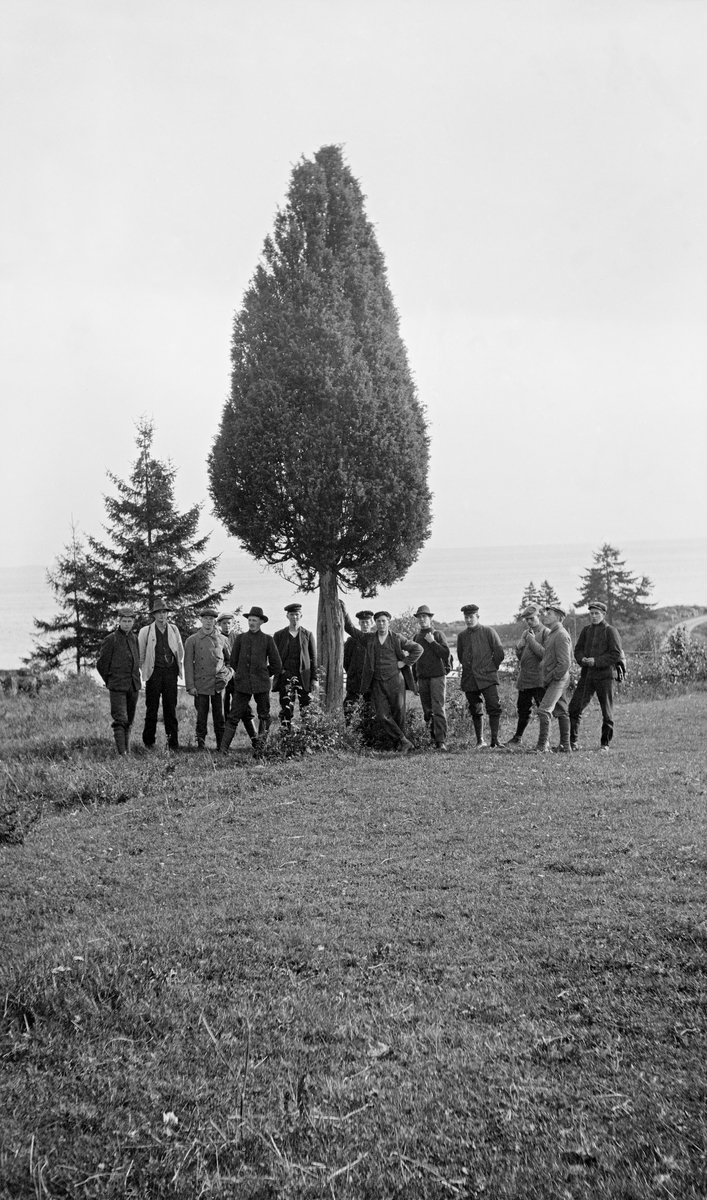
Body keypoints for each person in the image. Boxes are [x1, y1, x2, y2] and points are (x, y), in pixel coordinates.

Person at [342, 604, 422, 753]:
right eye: (378, 621)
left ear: (388, 622)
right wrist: (344, 611)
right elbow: (350, 629)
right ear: (376, 623)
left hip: (396, 682)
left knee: (399, 712)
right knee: (381, 715)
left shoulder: (397, 638)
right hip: (377, 683)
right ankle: (403, 741)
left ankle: (398, 745)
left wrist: (404, 662)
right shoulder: (369, 638)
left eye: (383, 621)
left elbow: (418, 649)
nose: (381, 623)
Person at [219, 606, 282, 759]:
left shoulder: (268, 639)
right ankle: (223, 750)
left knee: (264, 716)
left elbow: (277, 664)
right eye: (249, 620)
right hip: (242, 684)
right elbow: (233, 661)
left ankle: (260, 750)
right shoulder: (241, 638)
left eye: (254, 620)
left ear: (261, 622)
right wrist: (242, 674)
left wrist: (264, 673)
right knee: (234, 716)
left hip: (261, 684)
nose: (251, 623)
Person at [568, 599, 624, 752]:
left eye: (596, 613)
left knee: (607, 711)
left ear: (603, 614)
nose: (593, 616)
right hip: (587, 676)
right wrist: (582, 660)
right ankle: (572, 742)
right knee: (574, 707)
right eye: (591, 613)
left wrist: (596, 661)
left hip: (605, 676)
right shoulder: (586, 631)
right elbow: (577, 650)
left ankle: (604, 744)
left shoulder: (610, 631)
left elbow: (616, 654)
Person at [138, 596, 184, 751]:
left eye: (164, 612)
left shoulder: (174, 629)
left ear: (167, 614)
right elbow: (141, 655)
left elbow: (179, 650)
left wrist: (178, 669)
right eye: (158, 612)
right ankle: (148, 742)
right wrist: (144, 672)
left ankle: (173, 743)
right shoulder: (146, 631)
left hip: (170, 673)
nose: (162, 615)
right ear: (154, 615)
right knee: (152, 709)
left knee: (170, 709)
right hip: (153, 674)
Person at [456, 604, 505, 748]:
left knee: (493, 706)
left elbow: (499, 653)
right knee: (475, 708)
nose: (469, 620)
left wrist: (490, 668)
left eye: (471, 617)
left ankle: (494, 740)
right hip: (470, 678)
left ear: (478, 617)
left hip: (488, 677)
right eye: (466, 617)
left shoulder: (489, 632)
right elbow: (460, 656)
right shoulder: (462, 636)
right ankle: (480, 740)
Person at [183, 607, 231, 749]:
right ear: (201, 620)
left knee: (220, 717)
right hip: (200, 685)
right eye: (206, 619)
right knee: (201, 717)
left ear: (215, 621)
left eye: (211, 619)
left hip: (218, 684)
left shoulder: (222, 639)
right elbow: (187, 665)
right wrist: (190, 686)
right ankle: (201, 746)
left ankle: (221, 746)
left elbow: (229, 661)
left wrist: (227, 675)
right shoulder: (192, 640)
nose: (208, 622)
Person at [96, 606, 141, 755]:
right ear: (119, 621)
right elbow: (101, 664)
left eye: (129, 621)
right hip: (117, 687)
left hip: (133, 686)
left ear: (133, 622)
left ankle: (126, 750)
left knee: (129, 721)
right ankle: (122, 754)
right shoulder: (111, 639)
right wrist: (111, 680)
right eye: (124, 621)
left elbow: (136, 660)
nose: (127, 624)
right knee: (120, 720)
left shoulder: (135, 638)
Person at [505, 603, 549, 748]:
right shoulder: (526, 633)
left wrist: (531, 641)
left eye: (531, 618)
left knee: (543, 710)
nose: (529, 622)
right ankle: (517, 738)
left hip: (539, 679)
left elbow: (545, 654)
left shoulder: (546, 633)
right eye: (527, 619)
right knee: (522, 709)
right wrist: (519, 648)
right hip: (525, 679)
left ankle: (544, 741)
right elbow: (522, 657)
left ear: (538, 616)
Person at [272, 604, 317, 729]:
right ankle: (286, 736)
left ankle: (306, 736)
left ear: (301, 616)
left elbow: (313, 658)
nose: (294, 617)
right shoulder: (279, 635)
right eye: (291, 614)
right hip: (286, 676)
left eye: (297, 614)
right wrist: (281, 672)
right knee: (286, 707)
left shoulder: (307, 635)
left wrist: (314, 678)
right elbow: (274, 657)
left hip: (304, 677)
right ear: (287, 616)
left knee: (306, 708)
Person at [412, 604, 451, 751]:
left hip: (437, 677)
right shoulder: (416, 637)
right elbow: (413, 661)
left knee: (438, 709)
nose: (422, 620)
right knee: (427, 711)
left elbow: (445, 654)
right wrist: (414, 681)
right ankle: (432, 738)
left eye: (424, 617)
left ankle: (441, 742)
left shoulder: (438, 634)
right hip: (423, 678)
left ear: (430, 619)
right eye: (419, 617)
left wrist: (432, 642)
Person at [535, 605, 572, 753]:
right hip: (556, 678)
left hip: (558, 679)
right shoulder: (553, 634)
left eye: (549, 614)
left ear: (558, 617)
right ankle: (565, 746)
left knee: (544, 710)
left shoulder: (561, 635)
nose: (545, 616)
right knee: (561, 710)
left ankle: (542, 746)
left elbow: (565, 663)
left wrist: (552, 677)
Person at [343, 609, 374, 729]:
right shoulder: (351, 641)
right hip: (355, 680)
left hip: (371, 682)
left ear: (371, 623)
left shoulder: (374, 639)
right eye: (362, 622)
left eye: (367, 622)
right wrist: (352, 671)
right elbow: (346, 661)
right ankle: (351, 731)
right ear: (359, 624)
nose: (365, 625)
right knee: (348, 706)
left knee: (369, 707)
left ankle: (368, 733)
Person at [217, 612, 238, 722]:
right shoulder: (217, 638)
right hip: (223, 675)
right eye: (224, 623)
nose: (227, 625)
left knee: (241, 704)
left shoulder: (238, 638)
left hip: (236, 676)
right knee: (224, 704)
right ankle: (225, 731)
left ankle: (253, 735)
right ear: (219, 624)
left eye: (229, 623)